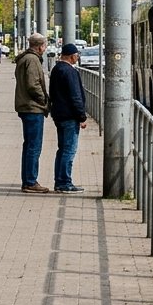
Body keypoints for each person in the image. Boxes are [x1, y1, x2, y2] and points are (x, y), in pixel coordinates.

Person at [14, 34, 51, 193]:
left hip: (26, 107)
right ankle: (30, 181)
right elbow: (32, 84)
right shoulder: (33, 60)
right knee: (34, 146)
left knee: (29, 145)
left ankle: (28, 180)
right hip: (33, 107)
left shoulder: (25, 58)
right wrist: (44, 100)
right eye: (45, 45)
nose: (46, 48)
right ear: (40, 46)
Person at [49, 43, 88, 194]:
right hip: (70, 116)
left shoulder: (57, 69)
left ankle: (59, 181)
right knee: (69, 150)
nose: (77, 57)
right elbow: (75, 96)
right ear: (72, 56)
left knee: (62, 149)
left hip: (59, 114)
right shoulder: (70, 72)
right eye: (77, 55)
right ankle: (65, 182)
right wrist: (82, 116)